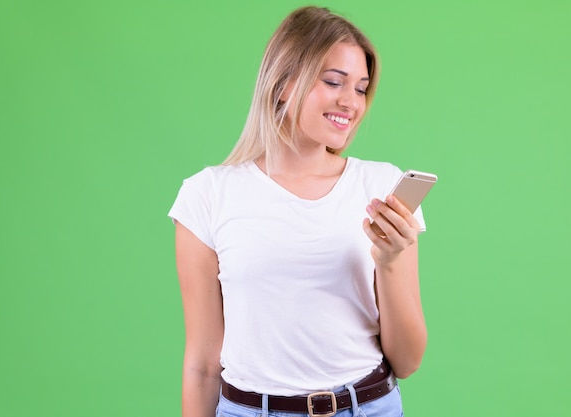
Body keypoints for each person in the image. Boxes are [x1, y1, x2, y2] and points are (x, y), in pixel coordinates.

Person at [169, 6, 428, 417]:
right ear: (283, 83)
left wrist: (391, 260)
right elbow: (202, 367)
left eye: (361, 88)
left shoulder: (380, 187)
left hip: (368, 407)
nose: (351, 102)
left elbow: (409, 362)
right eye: (333, 82)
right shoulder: (208, 195)